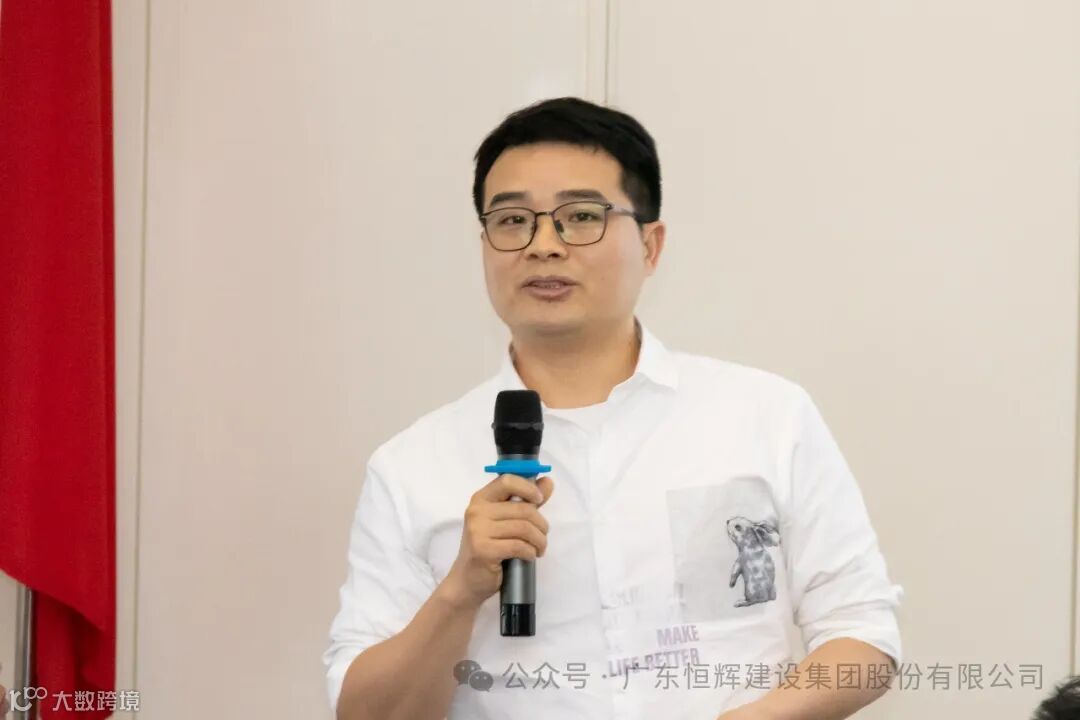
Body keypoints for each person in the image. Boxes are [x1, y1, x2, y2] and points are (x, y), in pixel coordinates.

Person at [322, 97, 904, 720]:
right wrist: (460, 591)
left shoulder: (765, 416)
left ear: (651, 246)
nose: (544, 245)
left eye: (581, 217)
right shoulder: (412, 466)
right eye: (513, 220)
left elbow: (864, 634)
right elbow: (367, 714)